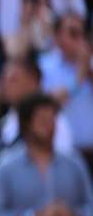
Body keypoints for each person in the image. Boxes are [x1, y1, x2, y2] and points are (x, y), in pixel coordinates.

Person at [38, 12, 93, 170]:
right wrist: (78, 78)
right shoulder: (44, 66)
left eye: (83, 34)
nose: (80, 40)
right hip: (64, 155)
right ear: (57, 36)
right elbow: (48, 104)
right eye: (73, 33)